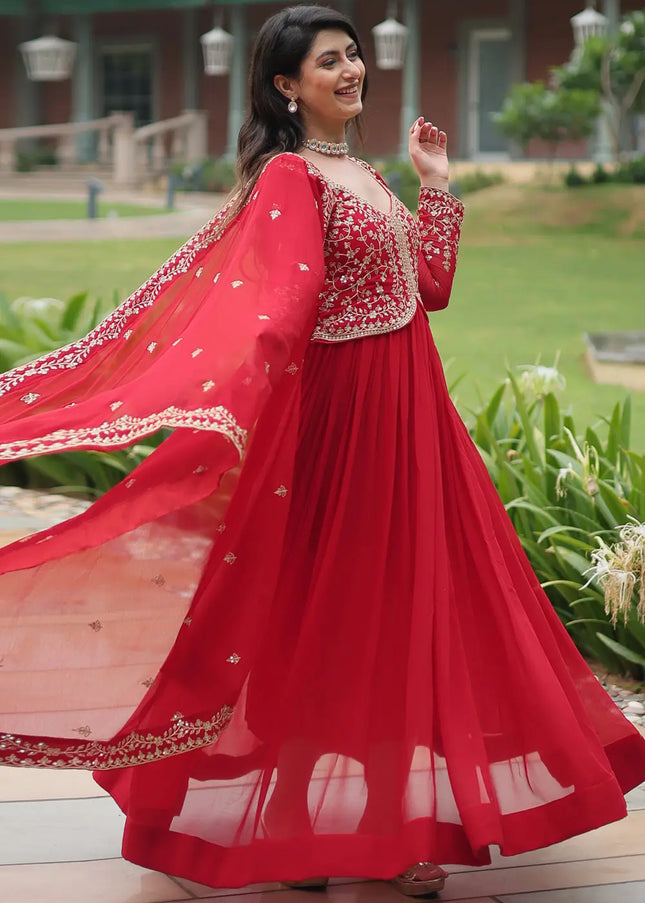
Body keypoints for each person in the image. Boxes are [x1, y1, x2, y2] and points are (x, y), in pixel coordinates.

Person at [0, 4, 644, 899]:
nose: (351, 72)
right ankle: (320, 833)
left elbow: (432, 287)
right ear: (284, 84)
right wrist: (233, 413)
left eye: (353, 57)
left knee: (400, 606)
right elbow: (274, 315)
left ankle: (367, 829)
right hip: (347, 423)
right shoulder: (289, 179)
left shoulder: (363, 173)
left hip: (412, 419)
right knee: (331, 611)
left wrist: (435, 183)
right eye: (329, 61)